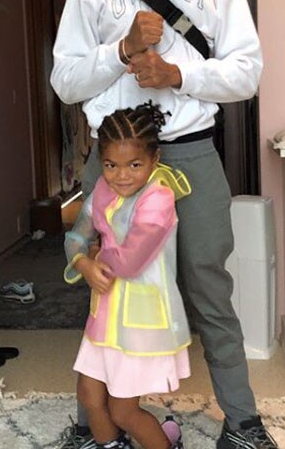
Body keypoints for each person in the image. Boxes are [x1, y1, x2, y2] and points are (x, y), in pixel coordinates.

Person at [51, 0, 273, 448]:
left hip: (191, 153)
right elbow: (65, 81)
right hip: (114, 160)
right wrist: (120, 51)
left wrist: (178, 75)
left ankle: (243, 423)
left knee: (208, 286)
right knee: (103, 278)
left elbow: (247, 72)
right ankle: (95, 424)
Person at [63, 102, 191, 449]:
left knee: (123, 411)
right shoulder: (102, 190)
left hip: (139, 322)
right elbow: (75, 237)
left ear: (154, 159)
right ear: (101, 162)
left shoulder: (158, 198)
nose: (122, 176)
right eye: (111, 165)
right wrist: (83, 263)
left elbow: (130, 262)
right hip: (104, 315)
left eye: (134, 165)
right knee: (90, 396)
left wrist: (96, 253)